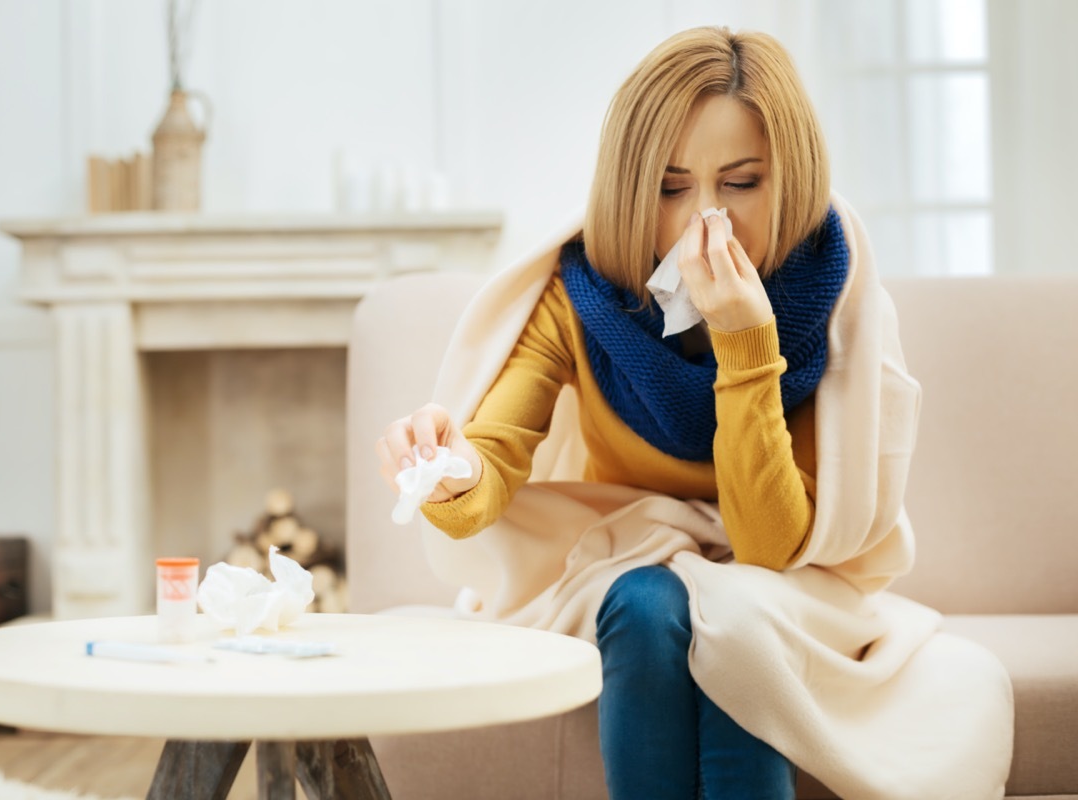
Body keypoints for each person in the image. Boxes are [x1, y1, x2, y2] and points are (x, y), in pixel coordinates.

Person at [375, 26, 1012, 800]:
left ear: (791, 179)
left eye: (740, 183)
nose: (704, 219)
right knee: (647, 602)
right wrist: (444, 469)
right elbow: (491, 465)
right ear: (628, 188)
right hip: (626, 567)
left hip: (793, 585)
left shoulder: (836, 298)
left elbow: (769, 549)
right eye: (670, 188)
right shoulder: (580, 298)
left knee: (737, 618)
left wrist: (746, 344)